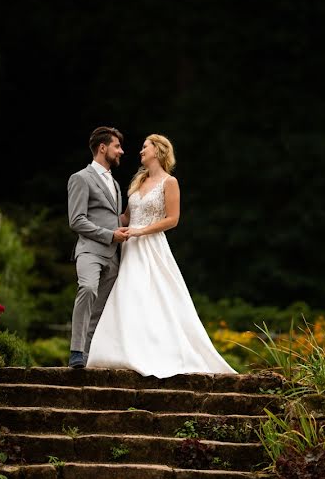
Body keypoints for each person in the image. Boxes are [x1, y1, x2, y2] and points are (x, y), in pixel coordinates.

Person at [86, 134, 236, 377]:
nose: (140, 151)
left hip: (152, 246)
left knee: (153, 295)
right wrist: (96, 222)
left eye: (145, 147)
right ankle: (122, 351)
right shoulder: (138, 182)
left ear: (158, 150)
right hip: (131, 247)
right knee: (128, 295)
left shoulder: (170, 182)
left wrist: (141, 230)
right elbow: (125, 217)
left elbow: (172, 219)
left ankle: (156, 351)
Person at [67, 126, 129, 369]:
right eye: (117, 146)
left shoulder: (114, 183)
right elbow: (76, 220)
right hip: (90, 251)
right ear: (103, 147)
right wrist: (109, 235)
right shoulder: (80, 178)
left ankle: (86, 356)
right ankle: (75, 351)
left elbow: (117, 219)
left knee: (100, 309)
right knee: (88, 289)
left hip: (114, 257)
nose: (121, 151)